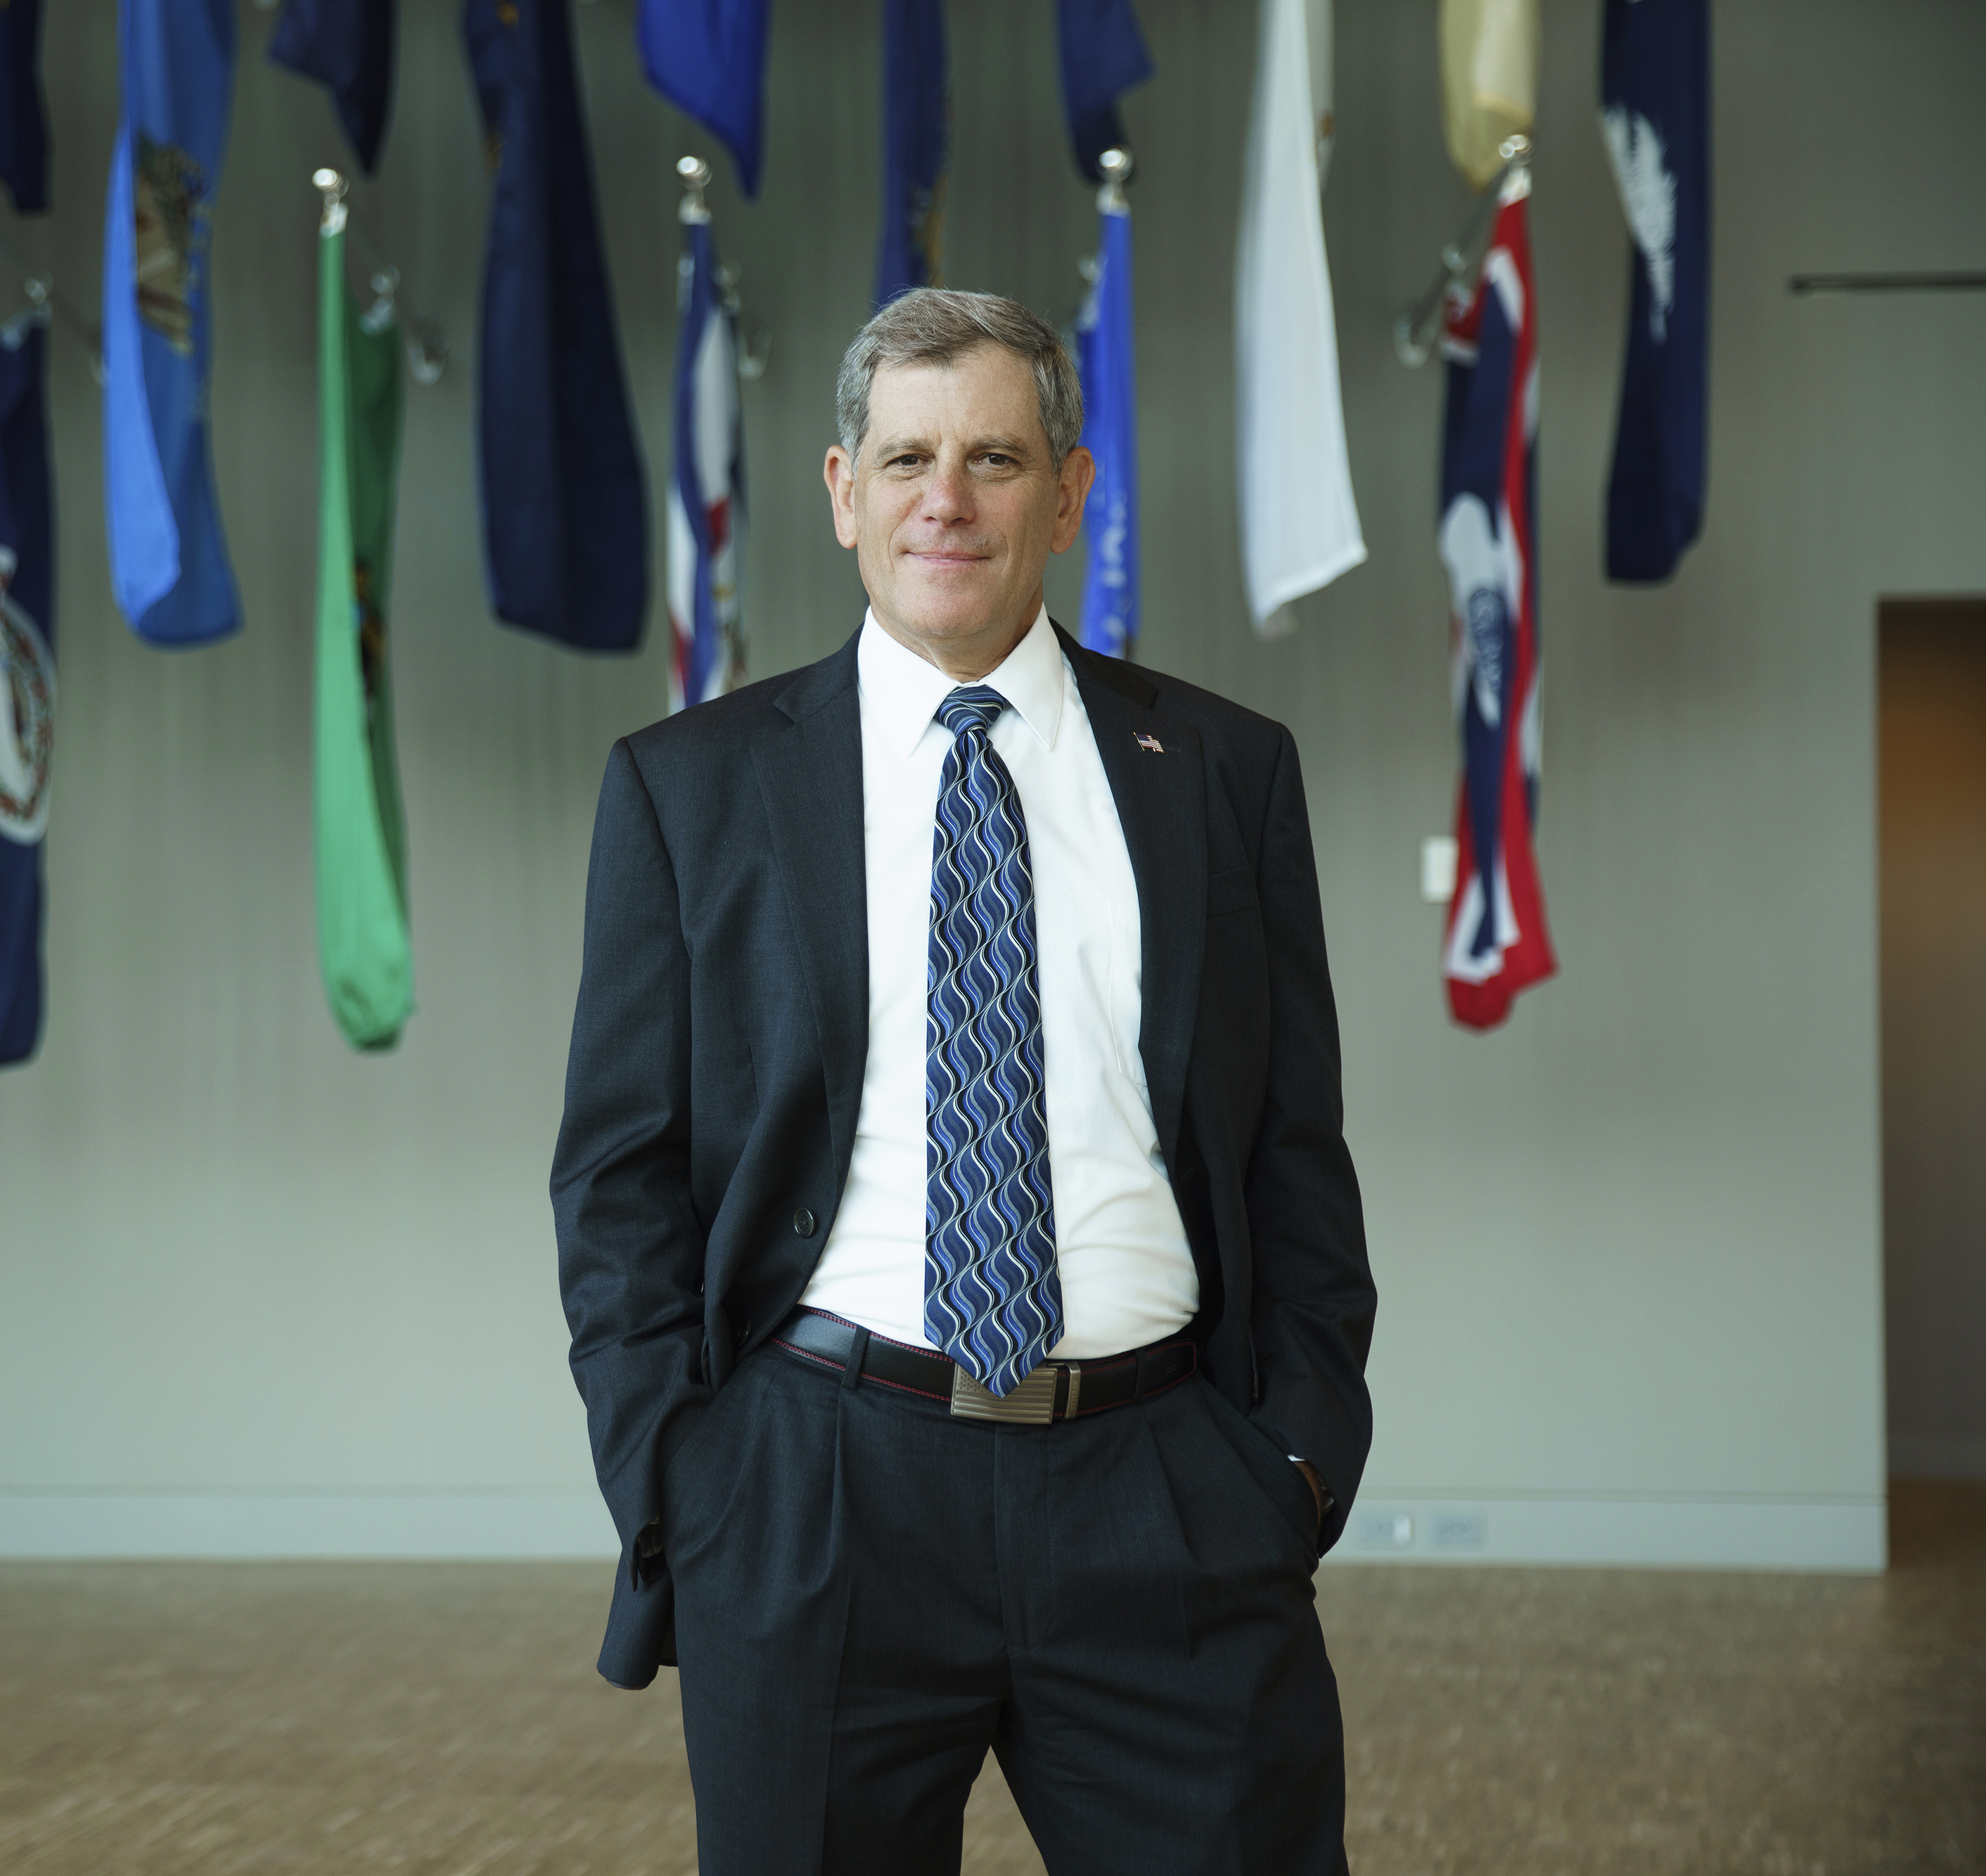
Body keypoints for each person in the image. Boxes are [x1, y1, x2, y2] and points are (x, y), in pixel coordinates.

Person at [551, 288, 1374, 1873]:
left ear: (1067, 494)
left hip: (1165, 1487)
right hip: (816, 1493)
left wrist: (1289, 1460)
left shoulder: (1220, 772)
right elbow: (616, 1174)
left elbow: (1291, 1149)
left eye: (994, 458)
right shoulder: (688, 787)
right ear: (841, 489)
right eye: (907, 455)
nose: (947, 498)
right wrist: (684, 1486)